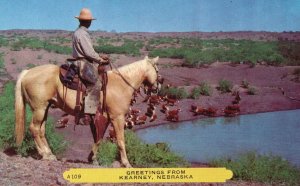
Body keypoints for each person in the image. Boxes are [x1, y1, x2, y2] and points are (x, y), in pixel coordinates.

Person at [72, 8, 109, 124]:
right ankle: (87, 114)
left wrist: (99, 56)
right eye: (89, 21)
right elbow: (88, 53)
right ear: (87, 22)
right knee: (96, 83)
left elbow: (89, 51)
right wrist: (100, 59)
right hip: (83, 63)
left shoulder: (78, 32)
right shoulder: (82, 34)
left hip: (81, 61)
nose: (90, 22)